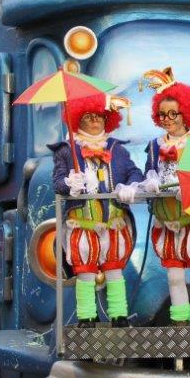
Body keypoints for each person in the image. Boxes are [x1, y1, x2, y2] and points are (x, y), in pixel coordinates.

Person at [134, 67, 190, 327]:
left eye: (173, 113)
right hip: (167, 217)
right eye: (163, 114)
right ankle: (180, 321)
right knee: (174, 275)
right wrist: (149, 181)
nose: (168, 119)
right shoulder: (155, 146)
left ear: (186, 113)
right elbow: (149, 172)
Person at [53, 92, 142, 327]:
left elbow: (135, 172)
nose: (95, 120)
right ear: (77, 119)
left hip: (115, 224)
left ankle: (119, 316)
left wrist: (131, 186)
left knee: (114, 271)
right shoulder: (66, 151)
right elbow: (57, 183)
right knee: (85, 273)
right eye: (88, 116)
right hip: (82, 226)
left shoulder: (117, 149)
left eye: (99, 116)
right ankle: (87, 318)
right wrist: (69, 184)